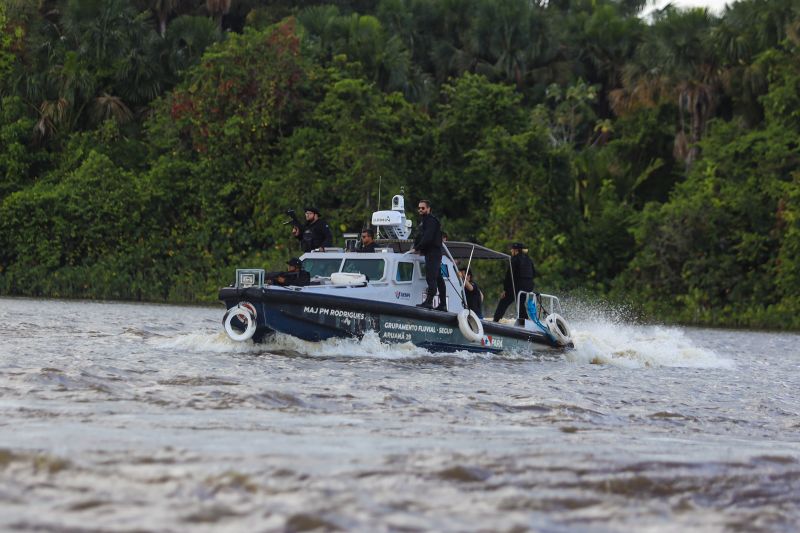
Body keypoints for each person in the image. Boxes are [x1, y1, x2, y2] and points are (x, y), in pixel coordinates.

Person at [411, 199, 447, 311]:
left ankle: (429, 302)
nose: (420, 210)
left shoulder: (430, 220)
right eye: (419, 208)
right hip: (432, 252)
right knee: (438, 278)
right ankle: (443, 304)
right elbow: (421, 236)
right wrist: (416, 245)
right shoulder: (425, 221)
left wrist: (417, 248)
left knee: (431, 277)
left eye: (423, 208)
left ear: (428, 209)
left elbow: (428, 237)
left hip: (433, 253)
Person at [492, 242, 535, 323]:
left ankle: (495, 320)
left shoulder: (514, 259)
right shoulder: (529, 259)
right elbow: (534, 273)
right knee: (520, 303)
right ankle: (524, 321)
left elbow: (509, 275)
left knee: (504, 301)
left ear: (516, 251)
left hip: (518, 287)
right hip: (528, 287)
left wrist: (505, 289)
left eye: (512, 249)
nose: (511, 251)